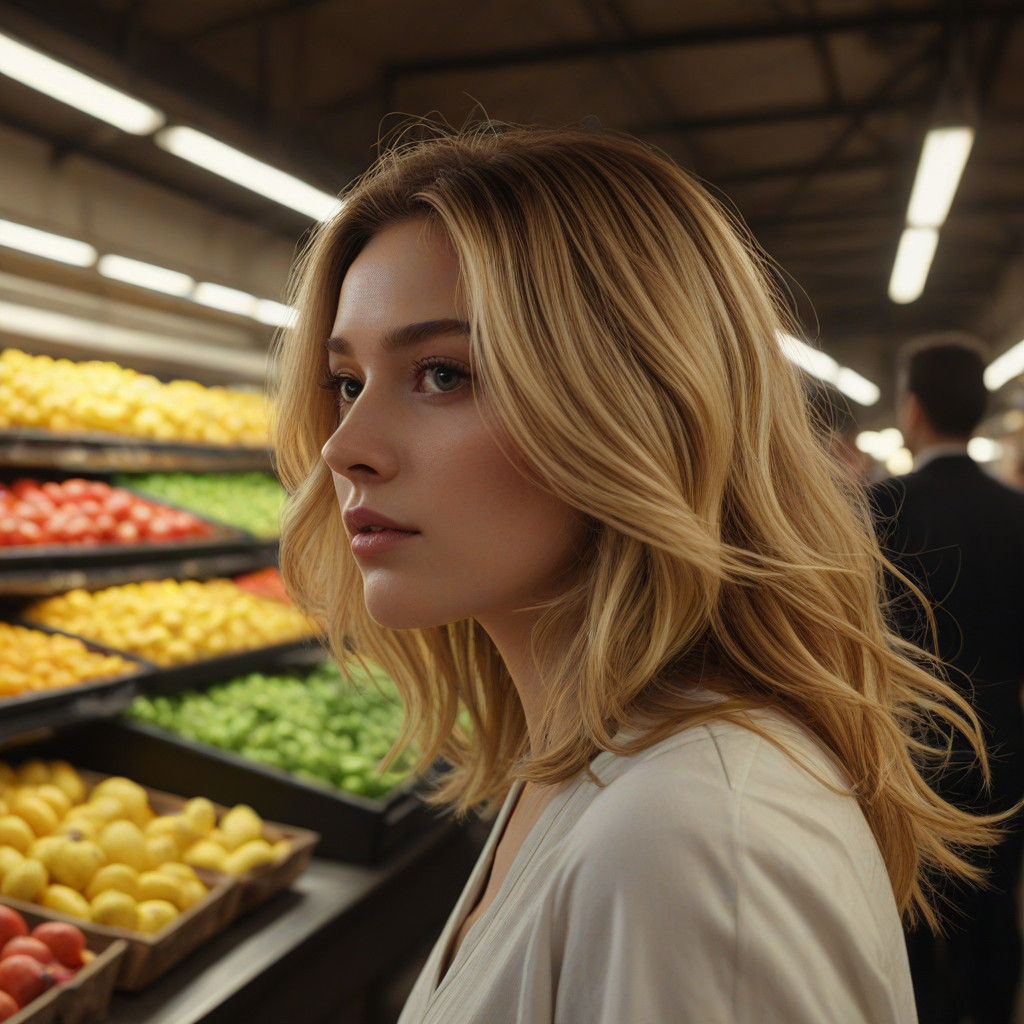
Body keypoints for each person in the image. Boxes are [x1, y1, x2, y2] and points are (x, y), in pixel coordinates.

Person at [272, 119, 1021, 1023]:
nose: (345, 449)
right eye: (347, 383)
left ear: (638, 407)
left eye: (442, 373)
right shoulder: (585, 763)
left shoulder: (691, 840)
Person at [868, 335, 1024, 1024]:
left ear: (914, 409)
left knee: (911, 917)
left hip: (910, 753)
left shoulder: (879, 511)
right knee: (995, 918)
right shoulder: (1018, 514)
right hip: (1006, 750)